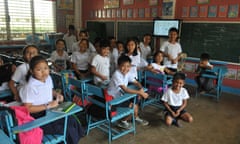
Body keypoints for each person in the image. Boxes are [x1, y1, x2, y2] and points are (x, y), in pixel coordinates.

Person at [19, 55, 84, 144]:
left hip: (51, 111)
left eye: (46, 68)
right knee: (67, 129)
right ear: (32, 71)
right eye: (39, 70)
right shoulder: (30, 87)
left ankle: (71, 140)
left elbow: (50, 90)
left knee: (73, 121)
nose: (43, 72)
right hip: (37, 118)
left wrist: (57, 94)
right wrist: (48, 105)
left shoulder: (48, 78)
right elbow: (27, 108)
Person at [107, 55, 149, 129]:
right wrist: (140, 93)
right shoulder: (116, 74)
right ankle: (123, 121)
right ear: (118, 66)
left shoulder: (127, 73)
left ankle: (135, 117)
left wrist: (141, 88)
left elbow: (136, 82)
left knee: (136, 99)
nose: (126, 68)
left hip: (121, 96)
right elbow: (125, 89)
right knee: (134, 106)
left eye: (128, 66)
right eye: (123, 66)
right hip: (113, 100)